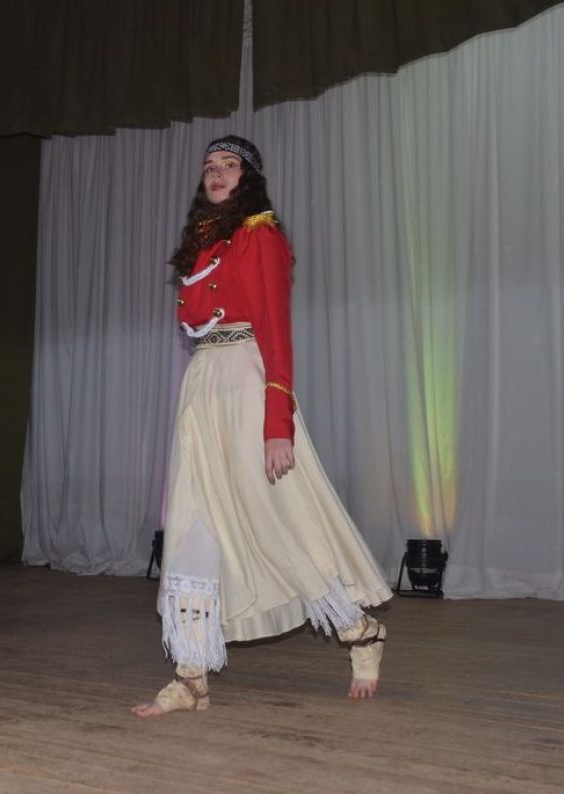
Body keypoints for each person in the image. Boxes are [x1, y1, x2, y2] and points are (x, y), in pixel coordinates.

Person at [133, 136, 393, 717]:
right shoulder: (204, 245)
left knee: (280, 521)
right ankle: (191, 677)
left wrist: (278, 423)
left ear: (247, 176)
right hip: (203, 386)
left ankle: (360, 631)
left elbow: (276, 332)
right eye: (209, 167)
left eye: (229, 166)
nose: (217, 174)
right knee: (193, 529)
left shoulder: (261, 235)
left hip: (248, 383)